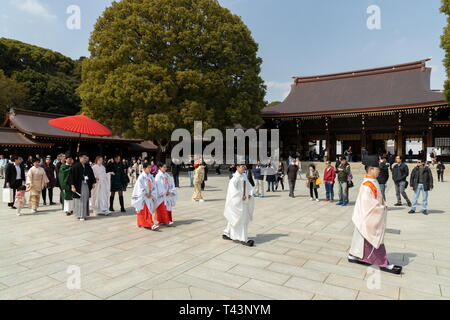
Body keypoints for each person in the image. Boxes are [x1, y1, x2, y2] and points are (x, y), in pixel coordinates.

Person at [347, 155, 402, 275]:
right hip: (368, 218)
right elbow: (369, 205)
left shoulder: (372, 181)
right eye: (377, 169)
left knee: (361, 242)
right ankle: (382, 262)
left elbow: (377, 199)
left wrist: (382, 204)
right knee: (374, 241)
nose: (379, 171)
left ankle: (354, 255)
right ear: (371, 169)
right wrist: (381, 208)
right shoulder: (368, 185)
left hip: (365, 218)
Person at [222, 164, 255, 247]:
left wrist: (250, 193)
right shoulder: (234, 179)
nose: (243, 168)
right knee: (241, 219)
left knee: (234, 217)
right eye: (241, 166)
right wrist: (242, 196)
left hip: (244, 201)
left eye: (244, 166)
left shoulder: (244, 176)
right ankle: (243, 238)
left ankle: (227, 232)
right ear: (237, 167)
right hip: (238, 202)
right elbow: (233, 192)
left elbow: (249, 186)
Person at [131, 163, 159, 231]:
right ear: (144, 169)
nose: (150, 169)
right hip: (144, 197)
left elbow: (154, 186)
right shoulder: (141, 177)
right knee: (145, 211)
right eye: (148, 168)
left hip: (150, 196)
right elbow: (139, 187)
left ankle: (143, 222)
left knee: (148, 211)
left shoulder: (151, 177)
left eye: (150, 168)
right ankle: (150, 224)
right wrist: (145, 193)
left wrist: (152, 193)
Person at [70, 152, 96, 221]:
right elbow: (72, 177)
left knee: (85, 199)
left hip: (86, 185)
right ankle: (80, 215)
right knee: (80, 200)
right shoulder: (75, 166)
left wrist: (93, 182)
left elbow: (91, 175)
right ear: (80, 158)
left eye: (86, 158)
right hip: (79, 185)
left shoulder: (88, 166)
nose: (85, 159)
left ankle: (83, 214)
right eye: (84, 158)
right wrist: (72, 186)